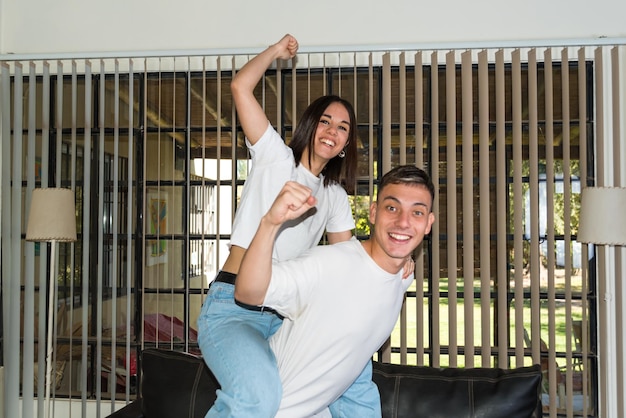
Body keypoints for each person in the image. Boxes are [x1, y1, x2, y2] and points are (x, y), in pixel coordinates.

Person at [196, 34, 359, 417]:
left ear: (347, 144)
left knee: (348, 386)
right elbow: (240, 86)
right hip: (233, 309)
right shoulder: (275, 157)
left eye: (343, 128)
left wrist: (394, 259)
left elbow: (347, 263)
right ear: (310, 125)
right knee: (258, 396)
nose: (332, 132)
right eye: (325, 121)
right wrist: (275, 52)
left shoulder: (334, 197)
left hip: (286, 318)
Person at [235, 164, 436, 417]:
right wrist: (270, 223)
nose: (403, 222)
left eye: (417, 213)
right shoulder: (329, 264)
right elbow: (248, 293)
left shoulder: (403, 276)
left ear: (428, 223)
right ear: (373, 212)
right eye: (392, 208)